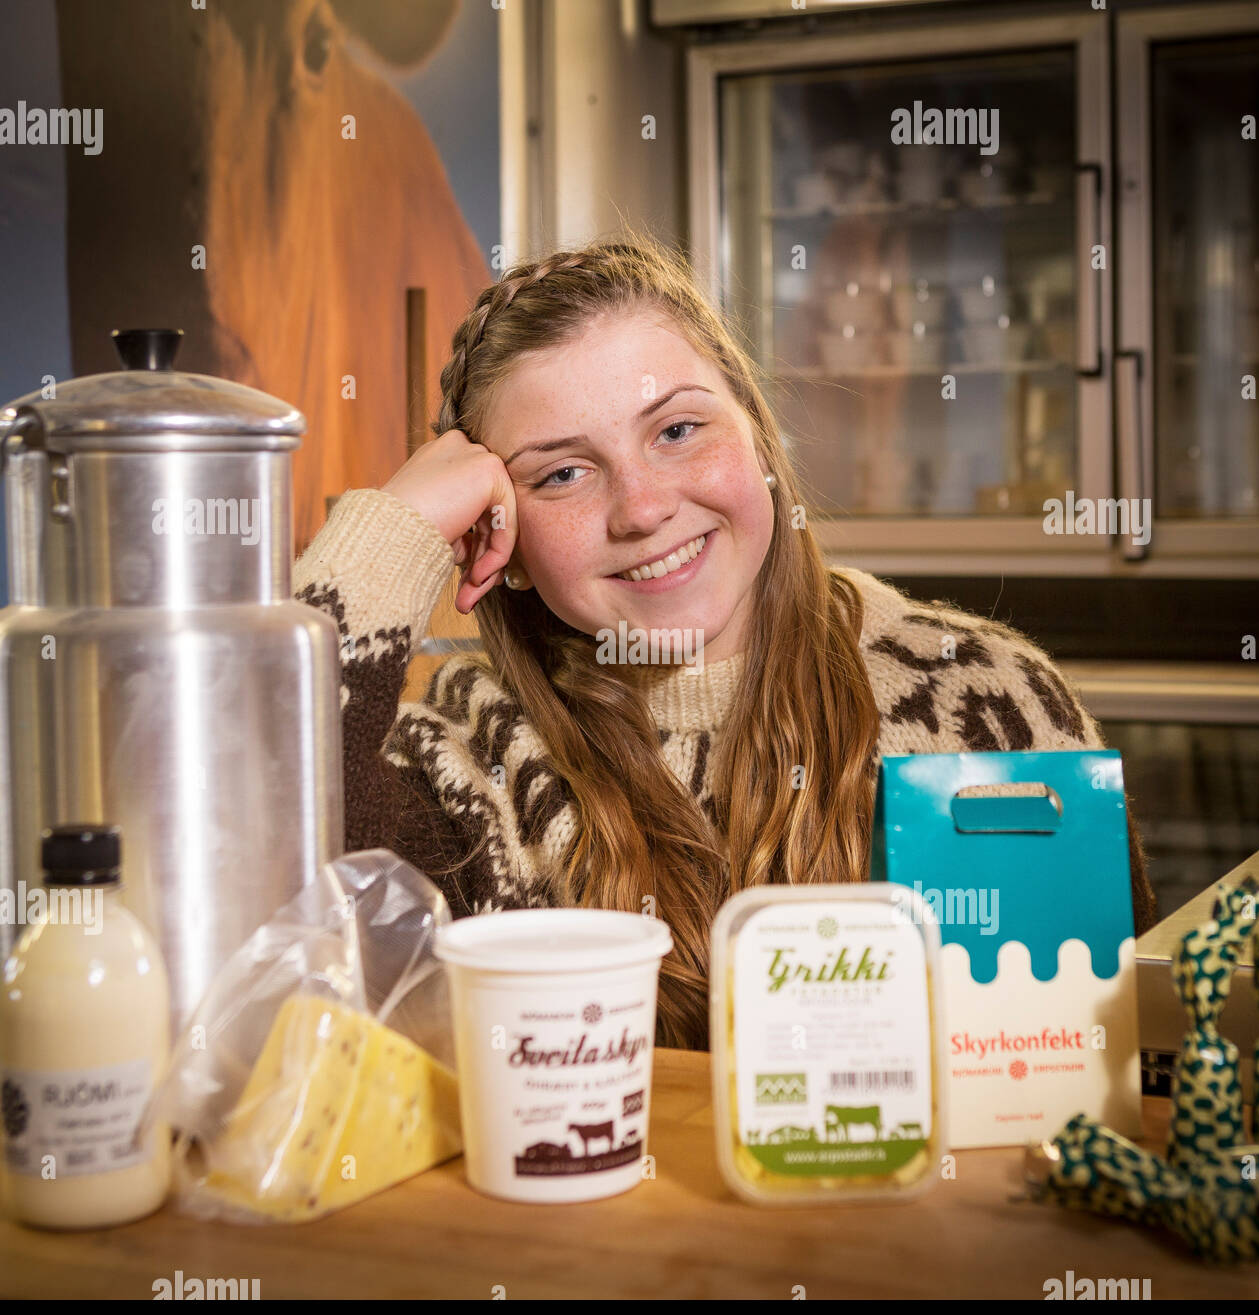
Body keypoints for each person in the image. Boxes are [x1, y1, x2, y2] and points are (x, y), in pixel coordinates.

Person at [291, 234, 1158, 1051]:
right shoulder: (470, 761)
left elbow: (1127, 1060)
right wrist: (390, 532)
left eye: (677, 430)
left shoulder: (984, 696)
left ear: (758, 437)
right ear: (505, 545)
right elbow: (250, 877)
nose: (642, 508)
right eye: (562, 473)